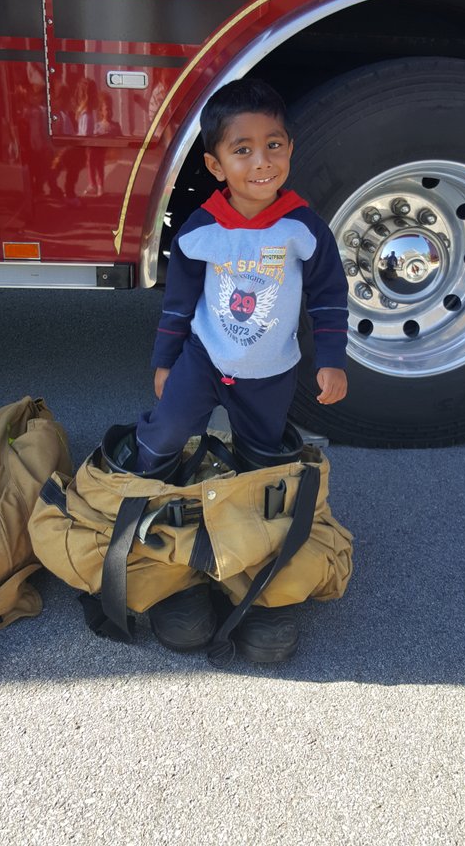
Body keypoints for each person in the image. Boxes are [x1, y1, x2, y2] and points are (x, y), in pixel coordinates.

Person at [134, 78, 349, 662]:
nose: (261, 161)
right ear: (215, 162)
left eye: (274, 146)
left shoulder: (302, 226)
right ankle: (142, 504)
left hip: (270, 370)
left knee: (263, 458)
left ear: (290, 150)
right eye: (243, 149)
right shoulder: (200, 230)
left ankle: (252, 548)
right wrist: (164, 362)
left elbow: (330, 296)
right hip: (203, 360)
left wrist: (332, 358)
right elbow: (177, 304)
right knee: (166, 433)